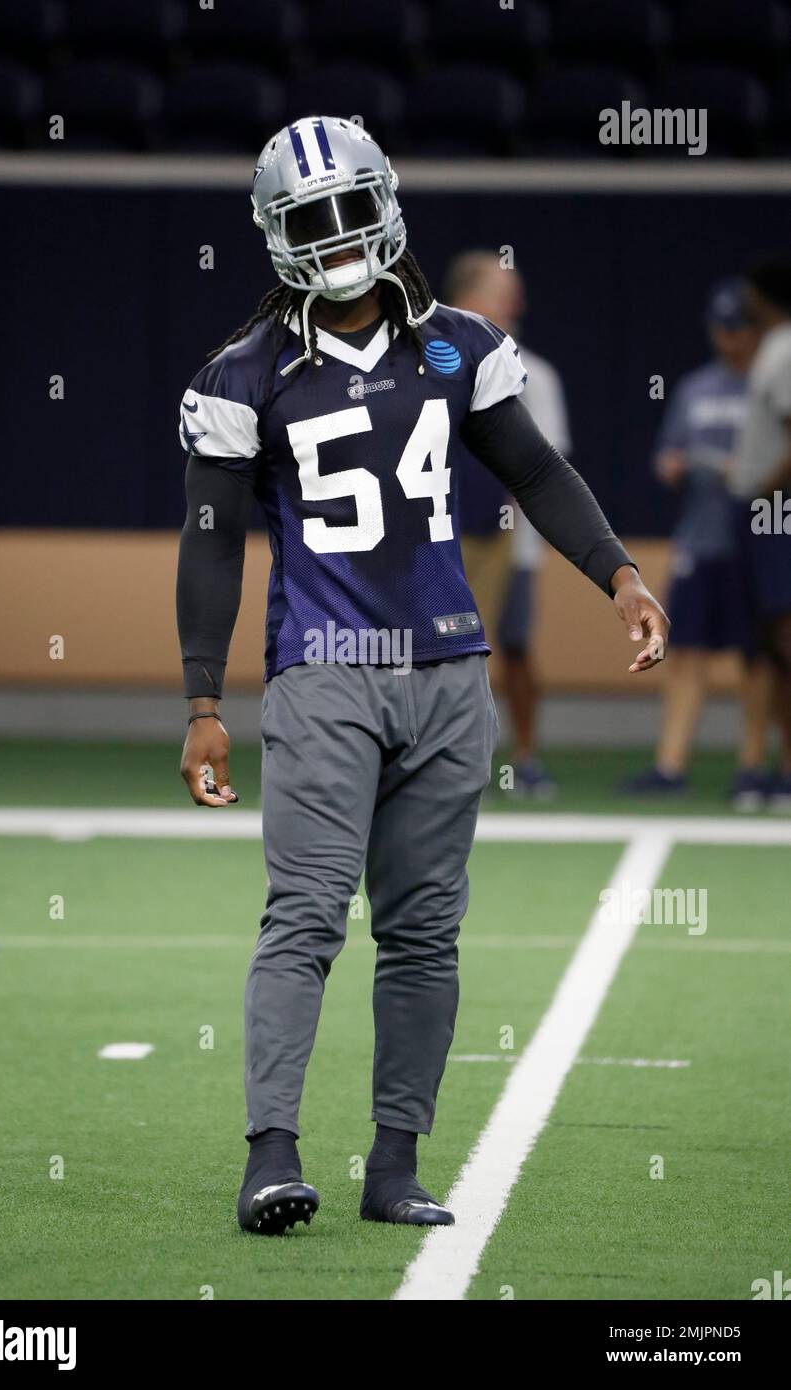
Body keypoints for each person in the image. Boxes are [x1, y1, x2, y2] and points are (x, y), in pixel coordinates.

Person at [175, 116, 669, 1237]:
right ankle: (271, 1155)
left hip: (448, 669)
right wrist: (203, 700)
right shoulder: (241, 375)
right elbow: (208, 541)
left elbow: (535, 470)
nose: (342, 235)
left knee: (423, 930)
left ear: (388, 204)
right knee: (302, 916)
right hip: (323, 671)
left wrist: (620, 575)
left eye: (354, 208)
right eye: (315, 220)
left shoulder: (459, 344)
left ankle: (393, 1163)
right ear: (276, 236)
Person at [620, 280, 770, 807]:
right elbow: (667, 457)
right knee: (683, 651)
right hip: (699, 540)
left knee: (758, 657)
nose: (729, 340)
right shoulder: (694, 389)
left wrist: (747, 473)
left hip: (756, 541)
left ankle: (752, 766)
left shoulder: (771, 383)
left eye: (739, 329)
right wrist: (677, 465)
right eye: (722, 329)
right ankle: (671, 764)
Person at [444, 254, 571, 798]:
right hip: (439, 541)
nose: (514, 303)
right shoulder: (428, 367)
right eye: (502, 292)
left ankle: (523, 758)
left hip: (508, 543)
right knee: (439, 649)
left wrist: (501, 532)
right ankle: (445, 759)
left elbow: (545, 467)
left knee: (511, 645)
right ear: (467, 299)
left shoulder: (533, 374)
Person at [730, 258, 791, 810]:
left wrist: (761, 495)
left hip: (778, 515)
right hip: (764, 517)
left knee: (785, 638)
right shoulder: (773, 347)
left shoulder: (785, 347)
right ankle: (780, 767)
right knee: (770, 645)